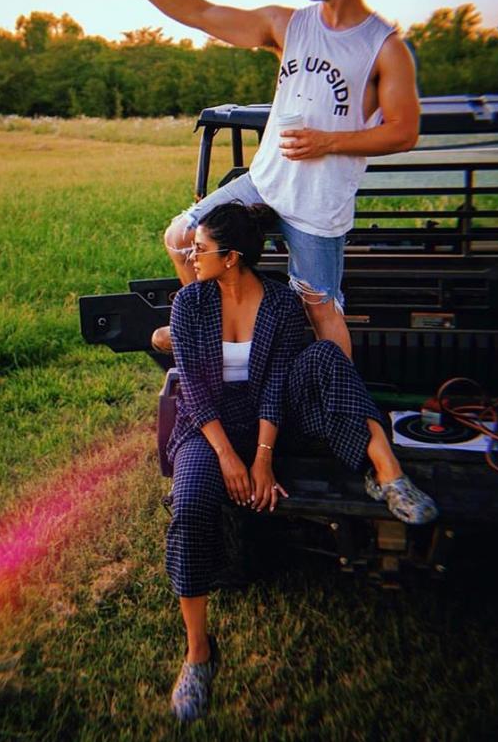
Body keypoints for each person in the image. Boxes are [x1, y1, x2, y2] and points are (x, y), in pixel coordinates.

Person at [91, 0, 420, 359]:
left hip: (318, 207)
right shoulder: (287, 26)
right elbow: (202, 14)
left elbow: (404, 132)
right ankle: (212, 333)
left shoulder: (383, 47)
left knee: (320, 310)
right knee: (182, 237)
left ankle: (338, 404)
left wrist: (329, 142)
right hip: (264, 184)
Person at [163, 201, 437, 722]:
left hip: (270, 418)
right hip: (210, 425)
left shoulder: (282, 305)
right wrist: (227, 458)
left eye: (200, 249)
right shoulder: (190, 304)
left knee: (326, 359)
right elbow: (195, 392)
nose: (190, 256)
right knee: (192, 502)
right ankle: (198, 653)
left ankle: (387, 475)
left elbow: (275, 385)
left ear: (233, 256)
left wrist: (263, 458)